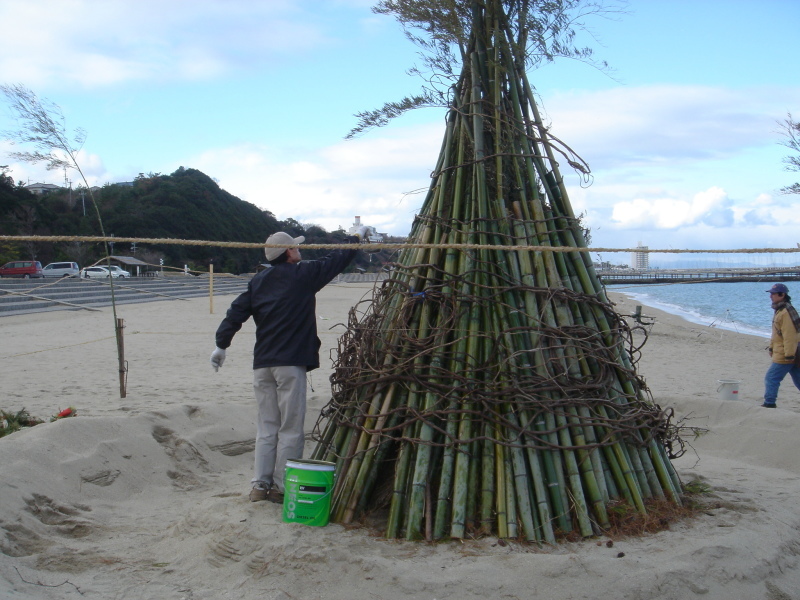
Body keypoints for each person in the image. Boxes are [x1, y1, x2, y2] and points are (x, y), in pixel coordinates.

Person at [210, 228, 366, 502]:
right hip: (290, 363)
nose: (299, 250)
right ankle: (282, 487)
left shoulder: (258, 281)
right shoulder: (302, 275)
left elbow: (236, 313)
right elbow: (337, 260)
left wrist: (221, 345)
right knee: (291, 427)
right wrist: (354, 238)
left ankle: (260, 485)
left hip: (263, 364)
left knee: (267, 426)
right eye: (295, 247)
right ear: (289, 252)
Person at [762, 283, 800, 408]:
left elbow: (790, 336)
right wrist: (772, 347)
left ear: (782, 295)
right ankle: (770, 402)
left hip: (786, 352)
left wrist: (789, 355)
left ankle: (769, 403)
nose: (771, 296)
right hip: (786, 351)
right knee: (798, 379)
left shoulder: (786, 312)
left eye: (773, 294)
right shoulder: (780, 310)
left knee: (771, 378)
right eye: (771, 294)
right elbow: (776, 333)